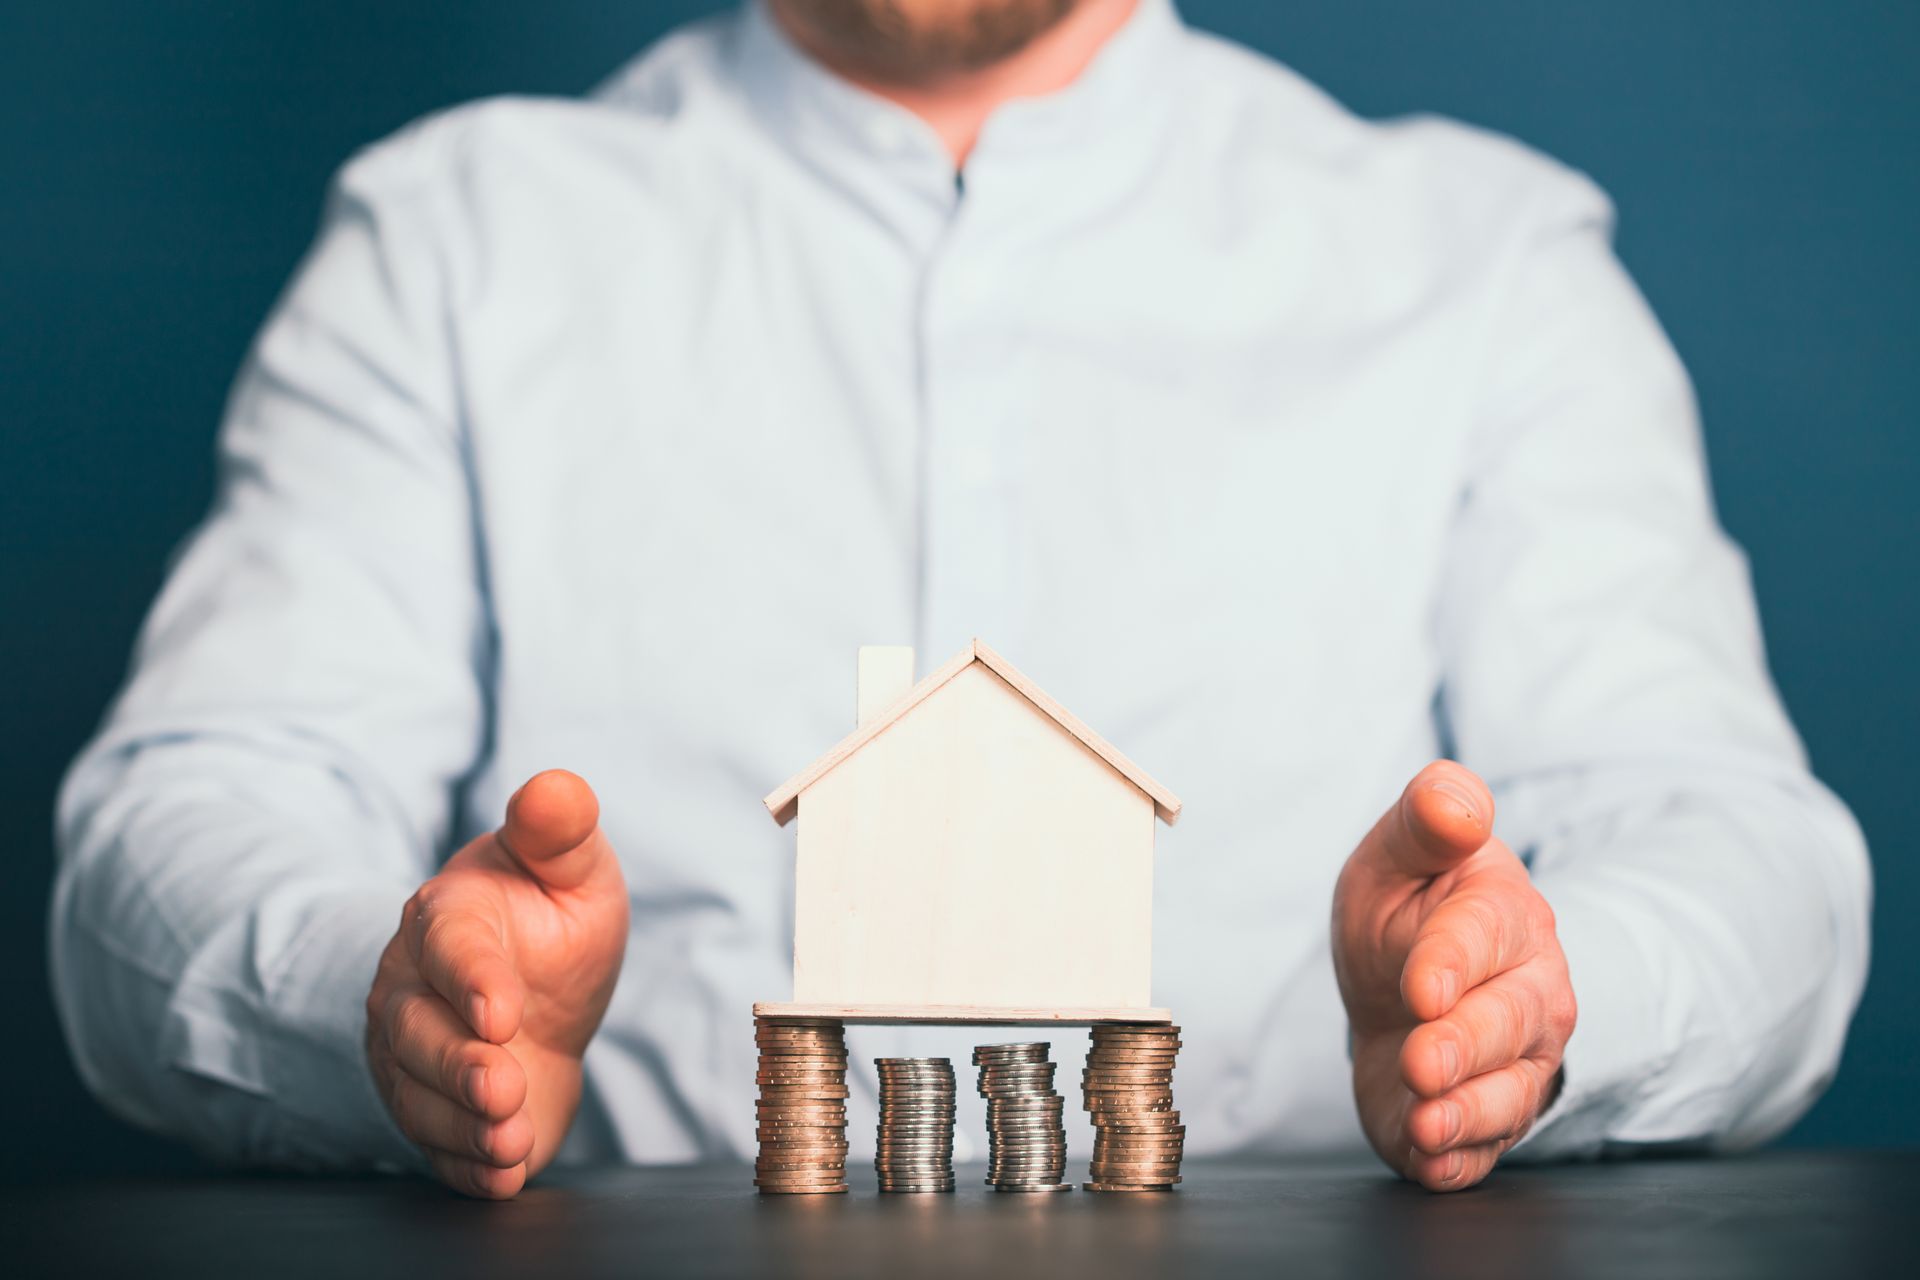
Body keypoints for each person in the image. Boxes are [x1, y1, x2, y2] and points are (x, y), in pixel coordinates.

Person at [52, 0, 1870, 1200]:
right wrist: (387, 1001)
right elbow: (180, 828)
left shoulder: (1487, 267)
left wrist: (1537, 1013)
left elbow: (1741, 850)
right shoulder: (449, 243)